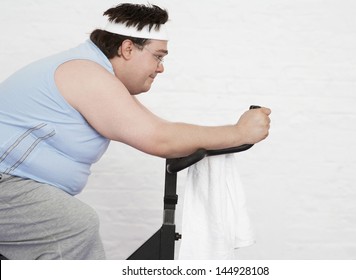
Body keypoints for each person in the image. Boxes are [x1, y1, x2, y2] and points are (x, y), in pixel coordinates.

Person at [0, 3, 271, 259]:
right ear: (128, 48)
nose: (161, 68)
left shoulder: (91, 71)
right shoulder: (86, 73)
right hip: (6, 181)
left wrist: (231, 134)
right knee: (73, 226)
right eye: (157, 56)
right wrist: (239, 132)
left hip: (12, 183)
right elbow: (159, 138)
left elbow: (160, 130)